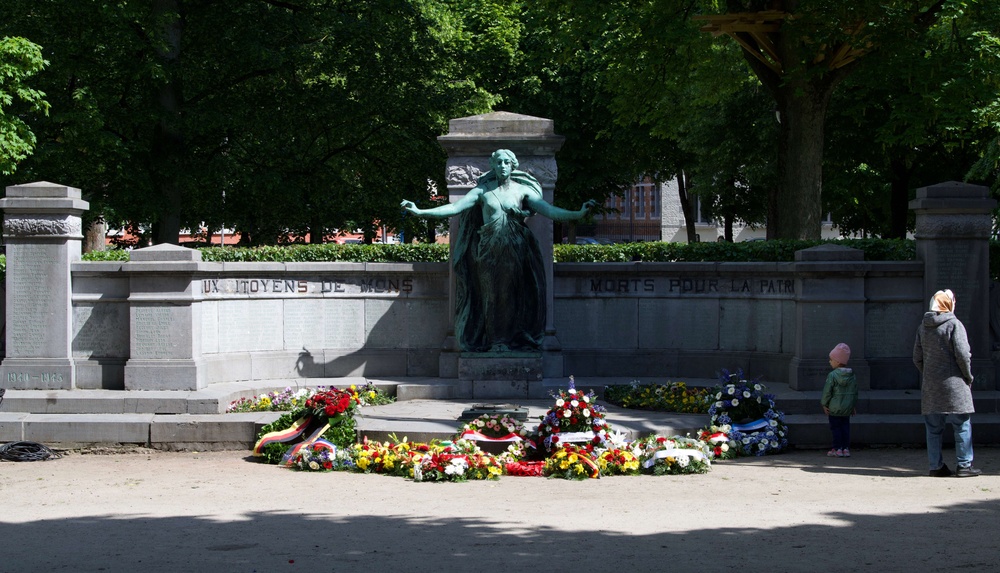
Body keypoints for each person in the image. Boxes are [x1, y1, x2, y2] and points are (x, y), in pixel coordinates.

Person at [400, 149, 594, 352]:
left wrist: (578, 213)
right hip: (488, 251)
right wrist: (420, 211)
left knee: (510, 296)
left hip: (515, 250)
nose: (502, 166)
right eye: (498, 162)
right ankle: (494, 342)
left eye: (506, 162)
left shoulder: (522, 191)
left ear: (513, 166)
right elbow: (454, 208)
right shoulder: (482, 191)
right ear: (493, 166)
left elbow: (550, 211)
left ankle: (508, 340)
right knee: (490, 296)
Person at [913, 289, 981, 477]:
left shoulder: (923, 327)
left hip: (931, 386)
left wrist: (929, 375)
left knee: (933, 429)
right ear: (949, 304)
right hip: (955, 384)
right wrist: (968, 376)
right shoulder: (954, 325)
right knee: (962, 424)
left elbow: (916, 358)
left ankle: (935, 466)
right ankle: (964, 466)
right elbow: (963, 355)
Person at [821, 343, 857, 458]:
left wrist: (824, 404)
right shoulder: (852, 376)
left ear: (837, 361)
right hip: (847, 407)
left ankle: (837, 448)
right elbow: (854, 393)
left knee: (835, 428)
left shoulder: (832, 375)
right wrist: (852, 406)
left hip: (834, 407)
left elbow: (827, 391)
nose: (829, 362)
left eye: (831, 359)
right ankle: (845, 448)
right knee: (845, 428)